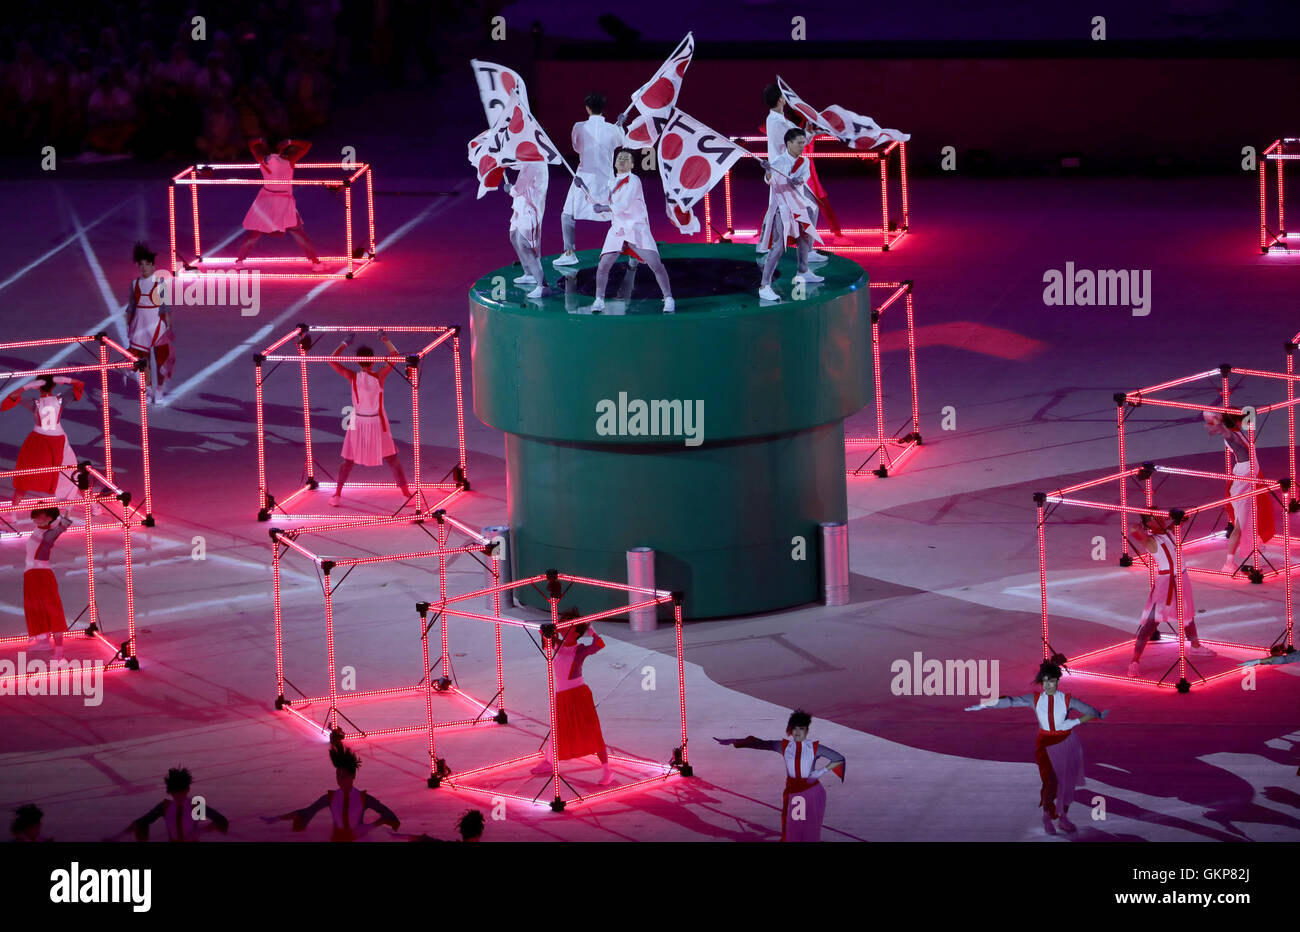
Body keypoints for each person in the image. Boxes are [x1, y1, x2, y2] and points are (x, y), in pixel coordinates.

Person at [965, 660, 1108, 835]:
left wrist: (1076, 721)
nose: (1048, 685)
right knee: (1051, 783)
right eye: (1045, 681)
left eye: (1051, 681)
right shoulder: (1035, 699)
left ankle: (1063, 817)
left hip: (1067, 744)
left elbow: (1092, 711)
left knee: (1067, 784)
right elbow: (1010, 701)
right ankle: (1047, 816)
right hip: (1046, 745)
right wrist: (986, 703)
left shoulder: (1068, 700)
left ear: (1058, 681)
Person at [715, 709, 846, 842]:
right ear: (790, 730)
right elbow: (761, 743)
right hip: (796, 794)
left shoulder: (815, 747)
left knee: (809, 830)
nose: (797, 732)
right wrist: (736, 740)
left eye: (801, 729)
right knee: (794, 829)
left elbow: (839, 759)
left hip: (811, 792)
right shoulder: (784, 746)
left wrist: (820, 772)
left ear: (807, 730)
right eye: (794, 729)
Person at [327, 331, 412, 506]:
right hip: (376, 422)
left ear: (357, 361)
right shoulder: (379, 376)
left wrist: (345, 343)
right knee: (392, 460)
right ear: (373, 360)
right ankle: (406, 495)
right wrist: (384, 339)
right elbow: (395, 356)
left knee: (348, 461)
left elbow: (331, 359)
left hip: (358, 422)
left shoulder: (352, 376)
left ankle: (336, 495)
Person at [1127, 514, 1216, 676]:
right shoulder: (1150, 541)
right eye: (1156, 517)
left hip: (1182, 577)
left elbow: (1184, 517)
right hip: (1166, 582)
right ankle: (1134, 661)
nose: (1161, 518)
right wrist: (1144, 521)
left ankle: (1195, 646)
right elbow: (1133, 530)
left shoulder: (1168, 531)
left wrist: (1174, 517)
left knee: (1188, 613)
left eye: (1161, 515)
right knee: (1152, 622)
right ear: (1148, 523)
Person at [531, 612, 613, 784]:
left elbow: (599, 644)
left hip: (578, 694)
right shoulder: (556, 644)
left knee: (592, 732)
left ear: (575, 631)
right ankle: (548, 762)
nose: (562, 627)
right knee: (557, 730)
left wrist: (591, 630)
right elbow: (544, 640)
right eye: (562, 624)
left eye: (567, 625)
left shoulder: (580, 650)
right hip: (562, 695)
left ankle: (607, 771)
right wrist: (544, 630)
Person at [591, 149, 673, 314]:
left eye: (626, 159)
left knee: (656, 264)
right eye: (619, 158)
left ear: (632, 165)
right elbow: (598, 200)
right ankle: (598, 299)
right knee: (603, 266)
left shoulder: (634, 180)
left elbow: (624, 204)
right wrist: (584, 188)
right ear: (615, 163)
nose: (622, 160)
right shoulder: (611, 182)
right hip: (618, 230)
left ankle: (669, 298)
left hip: (636, 228)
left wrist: (604, 207)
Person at [757, 84, 829, 264]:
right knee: (806, 208)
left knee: (782, 210)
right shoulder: (776, 122)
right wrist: (812, 133)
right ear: (781, 99)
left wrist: (814, 131)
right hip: (782, 175)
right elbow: (795, 138)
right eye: (784, 96)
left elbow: (797, 133)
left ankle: (771, 247)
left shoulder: (777, 119)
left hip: (785, 173)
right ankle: (802, 251)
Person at [267, 744, 400, 841]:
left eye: (344, 776)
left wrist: (368, 827)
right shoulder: (330, 798)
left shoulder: (364, 798)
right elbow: (306, 812)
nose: (340, 780)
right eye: (338, 776)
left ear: (353, 776)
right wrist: (278, 818)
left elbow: (389, 816)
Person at [553, 93, 626, 267]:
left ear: (587, 108)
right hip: (606, 178)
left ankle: (569, 253)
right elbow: (621, 141)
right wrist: (619, 126)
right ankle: (625, 245)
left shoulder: (579, 127)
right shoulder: (613, 129)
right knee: (617, 213)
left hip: (584, 178)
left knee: (567, 215)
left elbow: (577, 147)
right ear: (603, 108)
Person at [235, 137, 325, 270]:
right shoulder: (289, 159)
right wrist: (290, 142)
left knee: (256, 232)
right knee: (297, 231)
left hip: (266, 198)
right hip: (283, 199)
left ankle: (239, 261)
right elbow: (307, 144)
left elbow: (250, 143)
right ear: (282, 147)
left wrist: (260, 140)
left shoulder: (262, 158)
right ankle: (316, 263)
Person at [758, 129, 823, 302]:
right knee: (779, 247)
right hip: (783, 208)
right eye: (800, 142)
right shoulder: (778, 162)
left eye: (804, 142)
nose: (803, 145)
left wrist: (798, 180)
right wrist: (768, 171)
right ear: (789, 144)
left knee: (804, 239)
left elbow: (805, 176)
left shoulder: (805, 161)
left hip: (799, 207)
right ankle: (764, 286)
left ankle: (803, 271)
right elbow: (770, 181)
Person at [4, 376, 84, 504]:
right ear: (54, 386)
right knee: (74, 473)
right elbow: (80, 384)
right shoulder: (60, 400)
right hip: (58, 441)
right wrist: (65, 380)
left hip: (38, 441)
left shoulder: (34, 403)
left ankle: (13, 511)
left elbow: (11, 397)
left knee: (25, 475)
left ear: (38, 386)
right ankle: (93, 505)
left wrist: (27, 386)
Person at [113, 768, 230, 842]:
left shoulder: (195, 806)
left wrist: (202, 830)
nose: (178, 796)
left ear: (187, 789)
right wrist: (117, 837)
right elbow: (140, 822)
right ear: (170, 792)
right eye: (175, 793)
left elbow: (221, 821)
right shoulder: (165, 807)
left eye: (181, 792)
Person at [125, 242, 174, 404]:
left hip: (157, 325)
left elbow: (166, 307)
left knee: (161, 361)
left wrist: (168, 327)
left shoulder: (160, 283)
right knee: (143, 361)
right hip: (139, 325)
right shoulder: (134, 283)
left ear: (153, 266)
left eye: (147, 264)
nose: (144, 268)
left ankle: (159, 389)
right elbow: (131, 307)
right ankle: (148, 388)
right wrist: (129, 327)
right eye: (141, 265)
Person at [22, 508, 73, 659]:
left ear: (50, 517)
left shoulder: (49, 534)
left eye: (41, 515)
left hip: (41, 575)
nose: (37, 518)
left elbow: (62, 526)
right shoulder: (37, 529)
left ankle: (59, 654)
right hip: (30, 575)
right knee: (34, 609)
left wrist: (68, 509)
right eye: (36, 515)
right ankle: (43, 641)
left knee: (52, 610)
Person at [501, 161, 549, 298]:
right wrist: (505, 162)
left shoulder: (534, 164)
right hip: (520, 207)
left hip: (530, 211)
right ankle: (529, 273)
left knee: (526, 246)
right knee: (513, 236)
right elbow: (520, 164)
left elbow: (517, 189)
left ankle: (542, 285)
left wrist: (509, 189)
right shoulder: (530, 160)